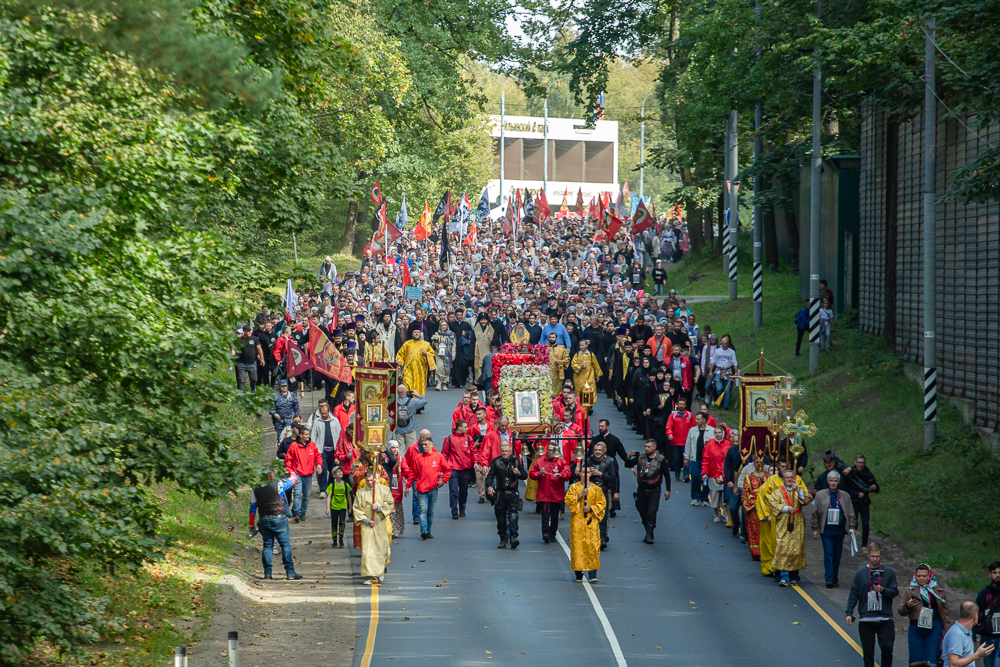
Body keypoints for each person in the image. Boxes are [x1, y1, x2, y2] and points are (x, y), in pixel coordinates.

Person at [846, 542, 899, 667]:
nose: (875, 559)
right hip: (866, 618)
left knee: (887, 647)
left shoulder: (888, 572)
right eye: (872, 556)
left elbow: (894, 591)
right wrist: (849, 612)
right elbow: (854, 593)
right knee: (868, 651)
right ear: (868, 555)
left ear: (881, 555)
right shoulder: (861, 573)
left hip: (885, 618)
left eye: (877, 556)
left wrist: (883, 590)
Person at [249, 472, 303, 581]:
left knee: (267, 546)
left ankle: (268, 573)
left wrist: (251, 523)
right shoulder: (279, 484)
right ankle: (290, 573)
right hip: (279, 519)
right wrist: (290, 469)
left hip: (264, 519)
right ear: (273, 473)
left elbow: (253, 507)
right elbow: (294, 479)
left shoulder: (255, 489)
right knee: (285, 545)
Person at [897, 563, 953, 666]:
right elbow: (901, 611)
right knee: (916, 660)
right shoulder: (910, 590)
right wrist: (908, 605)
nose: (921, 578)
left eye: (924, 576)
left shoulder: (939, 591)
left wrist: (948, 632)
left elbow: (945, 613)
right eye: (919, 576)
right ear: (915, 575)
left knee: (932, 660)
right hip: (916, 627)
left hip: (934, 627)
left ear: (929, 575)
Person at [810, 470, 857, 588]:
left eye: (835, 481)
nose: (833, 483)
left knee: (837, 554)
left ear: (838, 482)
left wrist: (852, 526)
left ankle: (835, 578)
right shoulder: (820, 495)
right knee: (828, 552)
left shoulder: (845, 496)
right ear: (827, 481)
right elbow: (815, 513)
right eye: (831, 481)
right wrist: (815, 528)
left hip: (839, 528)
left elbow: (850, 513)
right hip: (826, 528)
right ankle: (829, 578)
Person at [767, 468, 813, 586]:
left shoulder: (798, 491)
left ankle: (794, 576)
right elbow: (772, 504)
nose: (789, 479)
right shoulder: (777, 492)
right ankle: (784, 576)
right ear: (783, 479)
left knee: (796, 549)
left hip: (797, 525)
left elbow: (807, 499)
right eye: (787, 477)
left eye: (791, 478)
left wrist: (798, 490)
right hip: (783, 525)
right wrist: (786, 508)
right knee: (783, 548)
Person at [564, 465, 606, 583]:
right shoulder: (573, 487)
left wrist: (591, 509)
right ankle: (578, 573)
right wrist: (580, 495)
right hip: (577, 522)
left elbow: (602, 504)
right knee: (578, 547)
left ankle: (592, 573)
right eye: (583, 472)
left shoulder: (597, 489)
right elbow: (568, 501)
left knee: (592, 546)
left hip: (591, 522)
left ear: (591, 474)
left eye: (588, 472)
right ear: (580, 473)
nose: (586, 474)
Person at [405, 431, 451, 539]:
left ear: (431, 445)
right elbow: (413, 473)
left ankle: (428, 530)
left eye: (426, 445)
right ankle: (423, 530)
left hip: (433, 489)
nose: (424, 447)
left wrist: (443, 481)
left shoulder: (438, 456)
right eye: (423, 445)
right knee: (423, 510)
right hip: (421, 489)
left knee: (430, 512)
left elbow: (447, 469)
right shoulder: (418, 458)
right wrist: (407, 486)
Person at [625, 439, 671, 545]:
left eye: (649, 447)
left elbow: (667, 475)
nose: (646, 448)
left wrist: (668, 490)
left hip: (654, 490)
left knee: (651, 512)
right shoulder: (641, 457)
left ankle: (649, 533)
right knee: (643, 512)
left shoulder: (660, 460)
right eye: (646, 446)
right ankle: (648, 529)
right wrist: (629, 457)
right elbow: (627, 464)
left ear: (654, 447)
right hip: (641, 489)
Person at [353, 468, 393, 584]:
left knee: (382, 548)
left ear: (377, 479)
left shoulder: (385, 490)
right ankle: (369, 576)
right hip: (367, 525)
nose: (370, 483)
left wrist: (379, 508)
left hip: (380, 523)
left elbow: (390, 504)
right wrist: (366, 520)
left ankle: (379, 571)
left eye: (372, 480)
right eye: (368, 480)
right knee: (368, 550)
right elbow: (357, 509)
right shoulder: (361, 493)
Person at [485, 442, 527, 548]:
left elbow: (525, 475)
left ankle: (514, 536)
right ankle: (503, 538)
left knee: (513, 516)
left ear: (510, 452)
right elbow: (490, 476)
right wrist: (489, 487)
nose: (504, 453)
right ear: (500, 451)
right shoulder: (496, 462)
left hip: (513, 493)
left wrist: (518, 473)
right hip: (500, 493)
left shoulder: (515, 461)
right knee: (500, 517)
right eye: (503, 451)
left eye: (506, 451)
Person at [529, 442, 571, 543]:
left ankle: (552, 533)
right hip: (544, 494)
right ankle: (546, 533)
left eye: (553, 450)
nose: (551, 452)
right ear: (546, 450)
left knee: (554, 515)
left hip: (556, 494)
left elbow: (568, 473)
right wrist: (539, 474)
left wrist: (561, 475)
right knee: (545, 515)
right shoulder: (540, 461)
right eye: (550, 450)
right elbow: (531, 473)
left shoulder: (561, 461)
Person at [284, 427, 323, 522]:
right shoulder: (294, 445)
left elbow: (318, 455)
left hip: (309, 474)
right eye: (306, 434)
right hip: (297, 473)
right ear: (300, 435)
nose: (308, 436)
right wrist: (290, 471)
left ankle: (303, 513)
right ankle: (297, 513)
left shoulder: (312, 444)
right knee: (297, 494)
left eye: (308, 434)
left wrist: (319, 465)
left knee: (306, 495)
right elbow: (288, 460)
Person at [842, 453, 879, 550]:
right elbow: (846, 489)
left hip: (864, 502)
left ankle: (864, 545)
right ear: (855, 462)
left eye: (862, 462)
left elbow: (876, 488)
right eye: (859, 462)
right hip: (854, 502)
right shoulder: (850, 473)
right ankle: (852, 543)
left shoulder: (868, 474)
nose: (860, 464)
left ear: (865, 463)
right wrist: (856, 494)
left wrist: (874, 487)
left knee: (866, 524)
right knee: (853, 524)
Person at [441, 420, 477, 519]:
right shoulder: (449, 439)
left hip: (465, 469)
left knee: (464, 490)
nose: (467, 428)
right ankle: (454, 510)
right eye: (465, 427)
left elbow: (473, 451)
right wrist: (443, 469)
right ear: (459, 428)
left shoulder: (468, 438)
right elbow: (444, 454)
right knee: (453, 490)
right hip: (453, 468)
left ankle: (462, 508)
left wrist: (476, 462)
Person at [944, 602, 995, 667]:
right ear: (975, 616)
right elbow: (953, 664)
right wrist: (977, 655)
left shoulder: (966, 630)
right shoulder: (957, 634)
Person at [588, 442, 618, 549]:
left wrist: (600, 474)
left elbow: (613, 478)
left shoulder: (609, 462)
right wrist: (587, 473)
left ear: (603, 451)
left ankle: (602, 537)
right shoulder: (588, 461)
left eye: (599, 450)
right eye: (596, 450)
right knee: (590, 515)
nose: (597, 452)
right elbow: (580, 476)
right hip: (590, 493)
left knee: (603, 515)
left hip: (603, 491)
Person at [310, 399, 341, 499]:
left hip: (333, 449)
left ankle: (330, 487)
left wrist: (339, 450)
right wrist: (313, 449)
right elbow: (313, 436)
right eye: (322, 413)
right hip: (321, 449)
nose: (324, 415)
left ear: (329, 412)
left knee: (333, 470)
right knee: (322, 469)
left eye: (325, 413)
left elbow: (339, 435)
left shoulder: (335, 421)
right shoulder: (317, 422)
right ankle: (323, 489)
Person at [701, 426, 730, 523]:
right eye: (716, 433)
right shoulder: (710, 443)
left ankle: (727, 514)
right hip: (713, 473)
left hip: (724, 474)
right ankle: (716, 514)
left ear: (723, 433)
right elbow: (705, 459)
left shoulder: (728, 444)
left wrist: (727, 428)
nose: (718, 435)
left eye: (719, 432)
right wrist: (704, 473)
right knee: (714, 495)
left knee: (725, 496)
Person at [741, 452, 768, 560]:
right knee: (754, 530)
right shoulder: (749, 477)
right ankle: (756, 552)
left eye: (760, 462)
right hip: (753, 508)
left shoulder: (768, 476)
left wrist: (764, 480)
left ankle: (765, 552)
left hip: (766, 508)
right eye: (757, 462)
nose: (758, 464)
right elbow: (745, 493)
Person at [683, 412, 712, 506]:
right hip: (695, 459)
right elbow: (688, 444)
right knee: (695, 477)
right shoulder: (692, 430)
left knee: (706, 479)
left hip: (707, 460)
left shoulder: (712, 431)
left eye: (698, 419)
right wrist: (686, 457)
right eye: (696, 418)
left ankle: (705, 498)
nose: (696, 420)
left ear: (704, 420)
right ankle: (695, 497)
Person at [974, 561, 1000, 667]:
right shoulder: (984, 594)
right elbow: (975, 613)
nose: (997, 575)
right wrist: (973, 635)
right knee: (988, 664)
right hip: (987, 635)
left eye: (999, 572)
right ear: (990, 574)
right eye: (994, 572)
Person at [396, 329, 437, 395]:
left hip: (421, 370)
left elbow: (432, 354)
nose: (416, 333)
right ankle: (408, 399)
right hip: (409, 369)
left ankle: (419, 400)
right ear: (412, 334)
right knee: (408, 384)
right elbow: (400, 354)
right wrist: (400, 361)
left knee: (419, 388)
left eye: (418, 332)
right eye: (415, 332)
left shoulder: (426, 344)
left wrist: (426, 354)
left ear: (421, 334)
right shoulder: (407, 344)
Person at [665, 397, 695, 480]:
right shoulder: (673, 415)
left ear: (685, 405)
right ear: (677, 405)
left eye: (683, 404)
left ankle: (686, 474)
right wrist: (670, 434)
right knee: (677, 459)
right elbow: (669, 426)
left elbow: (693, 426)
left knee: (686, 458)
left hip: (687, 441)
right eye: (680, 404)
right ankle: (677, 474)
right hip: (676, 441)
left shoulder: (689, 415)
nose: (681, 405)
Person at [571, 337, 603, 412]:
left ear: (586, 345)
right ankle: (580, 407)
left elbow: (595, 365)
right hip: (579, 376)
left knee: (589, 390)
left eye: (582, 345)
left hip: (589, 375)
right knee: (580, 391)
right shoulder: (577, 354)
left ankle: (589, 406)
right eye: (580, 345)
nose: (581, 347)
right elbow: (573, 364)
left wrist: (597, 375)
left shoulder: (591, 354)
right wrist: (579, 368)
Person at [325, 466, 352, 548]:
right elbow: (329, 497)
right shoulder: (332, 485)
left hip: (343, 507)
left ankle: (341, 538)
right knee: (334, 524)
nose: (340, 473)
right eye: (338, 472)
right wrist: (327, 508)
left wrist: (350, 507)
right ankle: (334, 540)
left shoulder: (345, 485)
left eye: (341, 471)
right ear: (334, 475)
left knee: (342, 523)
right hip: (334, 507)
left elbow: (349, 496)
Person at [709, 334, 738, 409]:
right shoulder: (717, 351)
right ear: (720, 343)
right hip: (718, 371)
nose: (724, 345)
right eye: (723, 343)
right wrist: (710, 371)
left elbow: (735, 362)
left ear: (728, 343)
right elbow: (713, 362)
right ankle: (719, 402)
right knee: (719, 388)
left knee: (727, 390)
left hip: (728, 372)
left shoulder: (732, 352)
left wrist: (736, 372)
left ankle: (726, 405)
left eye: (726, 343)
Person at [394, 384, 427, 449]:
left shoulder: (394, 402)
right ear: (406, 391)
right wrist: (417, 395)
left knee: (399, 449)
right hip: (410, 428)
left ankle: (400, 456)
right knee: (411, 450)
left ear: (397, 392)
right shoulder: (412, 401)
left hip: (398, 429)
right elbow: (424, 401)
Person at [233, 323, 264, 391]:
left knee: (254, 379)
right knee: (242, 380)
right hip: (241, 363)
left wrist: (262, 359)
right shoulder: (239, 340)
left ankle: (253, 387)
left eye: (250, 331)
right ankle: (242, 393)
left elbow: (259, 348)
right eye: (248, 331)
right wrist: (232, 359)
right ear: (244, 331)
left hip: (252, 362)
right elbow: (234, 350)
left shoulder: (254, 339)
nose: (249, 332)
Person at [270, 379, 300, 445]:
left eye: (285, 386)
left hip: (290, 420)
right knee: (280, 438)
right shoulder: (275, 396)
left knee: (291, 439)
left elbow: (296, 407)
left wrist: (298, 418)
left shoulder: (292, 395)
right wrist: (274, 414)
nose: (284, 387)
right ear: (279, 387)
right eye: (282, 386)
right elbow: (271, 408)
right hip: (280, 421)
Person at [430, 320, 456, 391]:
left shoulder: (451, 334)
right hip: (438, 353)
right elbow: (433, 343)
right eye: (442, 325)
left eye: (445, 325)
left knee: (446, 369)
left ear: (447, 326)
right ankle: (439, 383)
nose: (443, 327)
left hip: (448, 354)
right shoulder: (437, 334)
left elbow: (453, 345)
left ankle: (444, 383)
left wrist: (453, 355)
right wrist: (435, 344)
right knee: (439, 368)